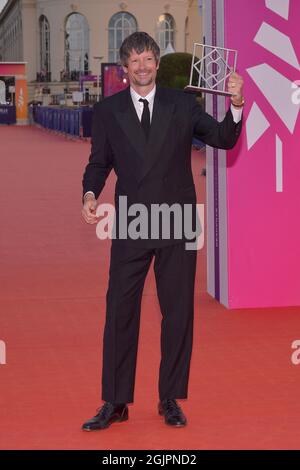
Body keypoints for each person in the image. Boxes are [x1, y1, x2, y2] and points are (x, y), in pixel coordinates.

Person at [81, 32, 244, 430]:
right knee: (120, 308)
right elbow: (99, 162)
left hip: (176, 221)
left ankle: (170, 398)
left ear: (156, 62)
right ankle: (115, 402)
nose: (142, 67)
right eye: (134, 61)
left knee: (177, 313)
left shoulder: (182, 104)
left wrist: (237, 104)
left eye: (148, 59)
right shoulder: (107, 111)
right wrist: (89, 192)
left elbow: (222, 137)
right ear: (124, 69)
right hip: (132, 222)